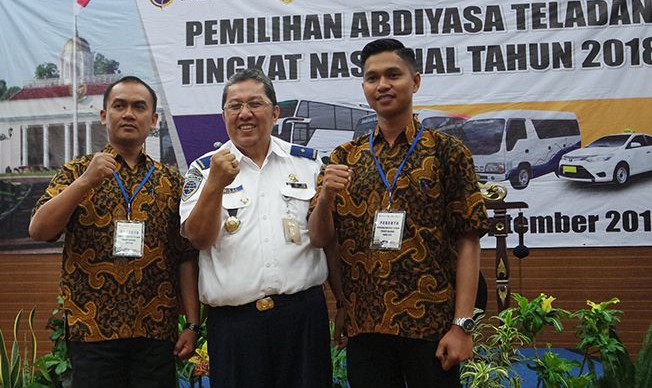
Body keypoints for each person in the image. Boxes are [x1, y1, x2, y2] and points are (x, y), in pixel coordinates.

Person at [308, 38, 490, 387]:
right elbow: (320, 238)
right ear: (364, 86)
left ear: (416, 81)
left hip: (432, 326)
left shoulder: (447, 152)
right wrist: (327, 196)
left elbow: (469, 241)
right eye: (372, 78)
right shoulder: (344, 157)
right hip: (366, 325)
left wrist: (462, 325)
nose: (382, 85)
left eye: (393, 74)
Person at [29, 76, 200, 388]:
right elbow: (39, 230)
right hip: (93, 330)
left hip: (155, 332)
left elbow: (185, 256)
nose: (129, 114)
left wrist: (191, 323)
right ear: (104, 116)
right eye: (119, 106)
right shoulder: (77, 171)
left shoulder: (172, 181)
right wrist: (85, 183)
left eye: (139, 107)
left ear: (154, 120)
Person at [179, 68, 331, 388]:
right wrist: (215, 187)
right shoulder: (204, 169)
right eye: (234, 106)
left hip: (301, 318)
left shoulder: (307, 163)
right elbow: (198, 239)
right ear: (223, 116)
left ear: (275, 113)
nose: (244, 114)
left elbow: (326, 239)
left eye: (255, 104)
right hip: (236, 326)